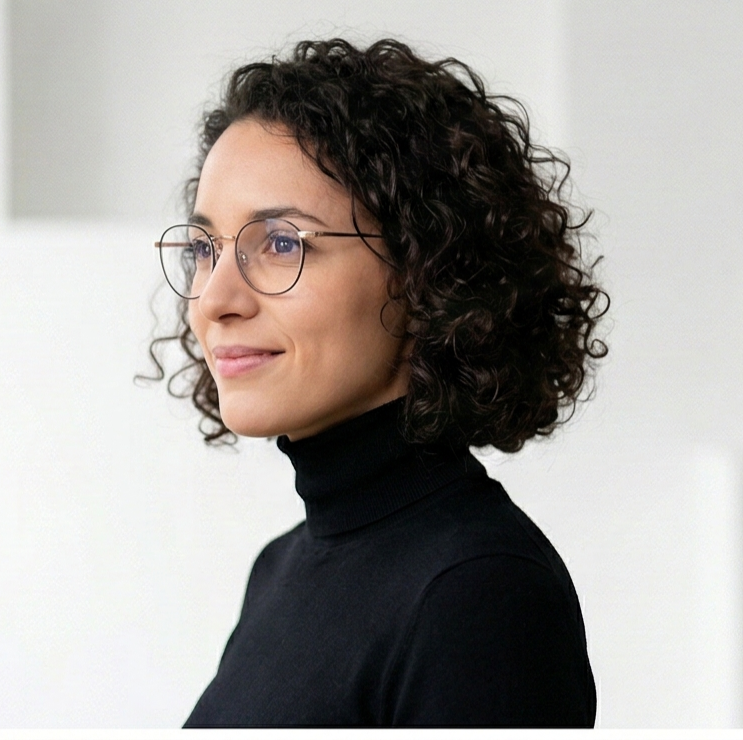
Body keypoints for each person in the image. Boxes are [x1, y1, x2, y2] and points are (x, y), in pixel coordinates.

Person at [147, 37, 608, 727]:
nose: (215, 299)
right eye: (204, 249)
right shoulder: (279, 568)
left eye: (281, 243)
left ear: (427, 270)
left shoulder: (478, 592)